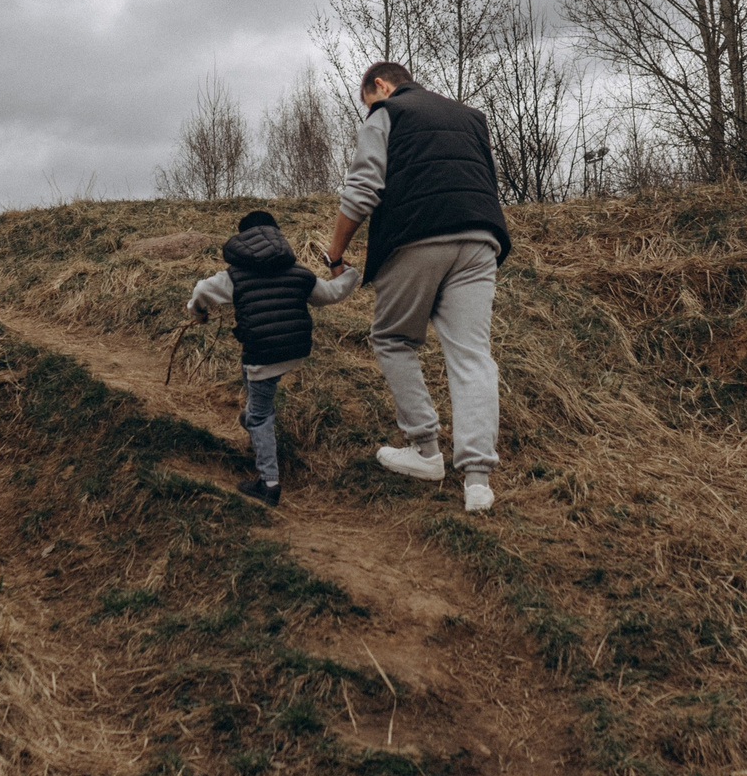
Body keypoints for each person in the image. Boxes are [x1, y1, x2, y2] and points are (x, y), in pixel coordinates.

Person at [322, 61, 512, 514]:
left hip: (416, 235)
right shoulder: (471, 117)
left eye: (368, 100)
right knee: (472, 355)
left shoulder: (387, 113)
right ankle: (478, 482)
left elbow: (362, 190)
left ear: (380, 85)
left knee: (393, 338)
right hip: (481, 237)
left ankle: (425, 450)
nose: (369, 108)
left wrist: (335, 253)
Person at [187, 210, 363, 506]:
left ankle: (268, 483)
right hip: (293, 349)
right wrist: (350, 274)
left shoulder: (233, 277)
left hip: (263, 352)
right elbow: (331, 294)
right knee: (253, 381)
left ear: (243, 240)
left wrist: (198, 312)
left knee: (260, 414)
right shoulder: (299, 274)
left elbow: (202, 290)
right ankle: (251, 418)